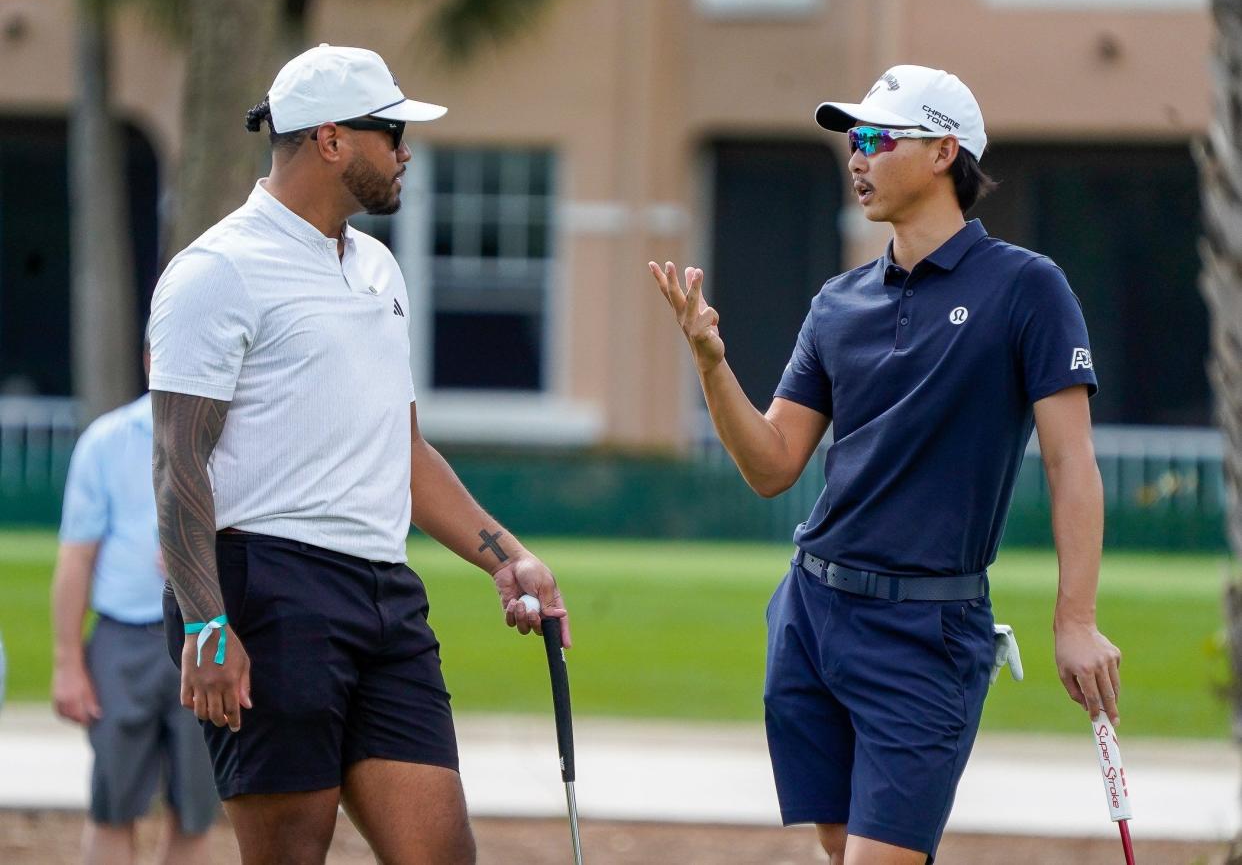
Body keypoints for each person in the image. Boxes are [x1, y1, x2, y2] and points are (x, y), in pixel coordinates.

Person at [650, 64, 1122, 865]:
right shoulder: (837, 301)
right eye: (851, 141)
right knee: (840, 850)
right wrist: (710, 363)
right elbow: (772, 464)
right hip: (810, 612)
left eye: (875, 138)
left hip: (927, 630)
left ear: (944, 152)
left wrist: (1074, 621)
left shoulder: (1027, 288)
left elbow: (1071, 461)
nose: (856, 157)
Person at [148, 43, 569, 865]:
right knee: (290, 854)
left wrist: (507, 558)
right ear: (332, 140)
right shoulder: (217, 270)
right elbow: (175, 464)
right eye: (392, 132)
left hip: (384, 594)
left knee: (441, 852)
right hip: (264, 589)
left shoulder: (378, 268)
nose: (405, 150)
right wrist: (205, 624)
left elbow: (402, 451)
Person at [51, 335, 217, 865]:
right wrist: (67, 663)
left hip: (209, 632)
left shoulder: (234, 435)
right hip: (125, 640)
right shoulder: (107, 441)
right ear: (150, 359)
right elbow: (76, 557)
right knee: (113, 805)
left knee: (195, 809)